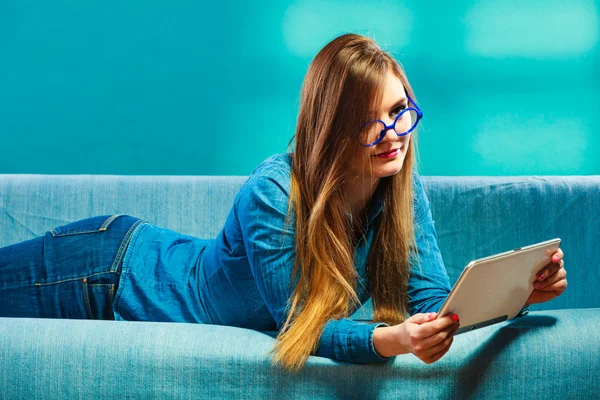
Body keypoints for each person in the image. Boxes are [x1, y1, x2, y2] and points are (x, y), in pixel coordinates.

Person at [0, 33, 567, 371]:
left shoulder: (397, 183)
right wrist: (388, 339)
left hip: (122, 264)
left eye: (400, 111)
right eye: (371, 124)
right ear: (333, 130)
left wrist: (516, 295)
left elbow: (432, 298)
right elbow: (298, 325)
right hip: (106, 269)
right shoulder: (273, 193)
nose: (394, 134)